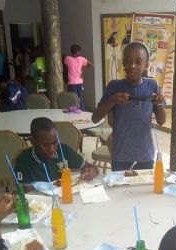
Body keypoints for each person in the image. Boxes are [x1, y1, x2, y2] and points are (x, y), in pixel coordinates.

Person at [92, 42, 166, 171]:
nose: (132, 66)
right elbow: (95, 118)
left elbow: (161, 121)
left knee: (144, 184)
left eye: (138, 62)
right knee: (120, 184)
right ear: (123, 63)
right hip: (120, 155)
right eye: (128, 61)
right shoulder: (114, 86)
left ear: (146, 65)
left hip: (145, 155)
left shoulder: (152, 86)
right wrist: (112, 100)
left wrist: (159, 103)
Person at [15, 117, 98, 184]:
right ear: (32, 142)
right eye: (45, 145)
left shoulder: (63, 150)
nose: (52, 149)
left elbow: (90, 167)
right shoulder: (23, 160)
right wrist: (53, 186)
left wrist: (92, 171)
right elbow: (25, 192)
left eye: (55, 142)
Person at [63, 44, 93, 111]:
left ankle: (74, 112)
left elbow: (64, 64)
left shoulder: (67, 58)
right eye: (80, 52)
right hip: (80, 82)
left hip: (72, 83)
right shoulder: (81, 59)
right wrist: (82, 69)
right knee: (80, 98)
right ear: (77, 52)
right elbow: (90, 64)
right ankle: (82, 111)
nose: (80, 53)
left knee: (73, 99)